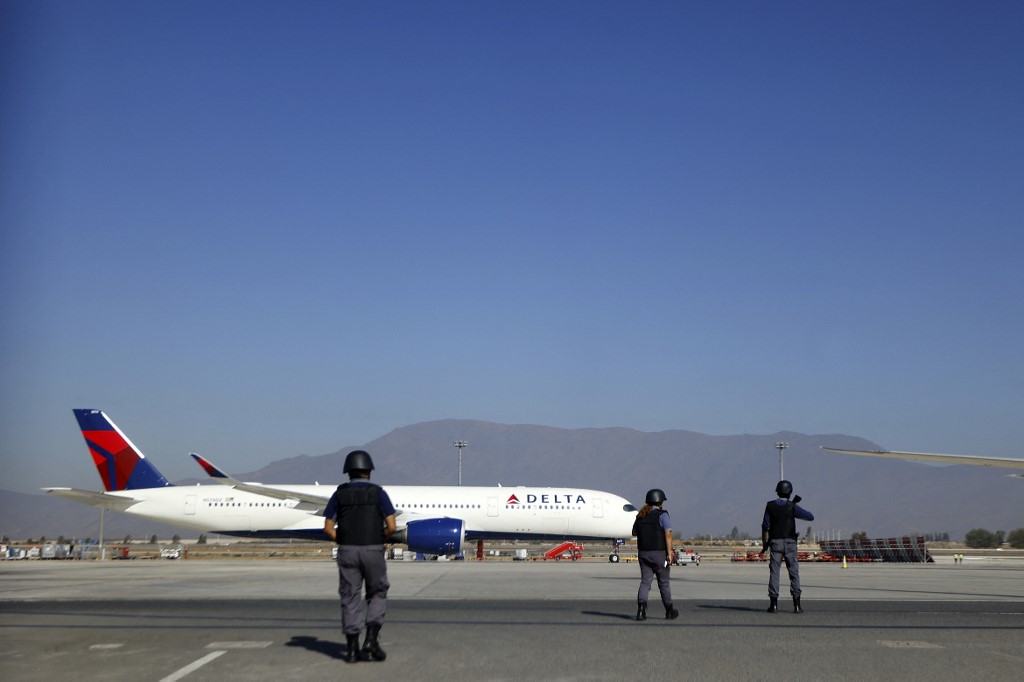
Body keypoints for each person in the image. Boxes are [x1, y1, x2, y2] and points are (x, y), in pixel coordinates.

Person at [323, 449, 397, 662]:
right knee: (377, 593)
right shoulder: (378, 493)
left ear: (348, 471)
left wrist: (343, 538)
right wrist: (379, 536)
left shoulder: (339, 494)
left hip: (347, 550)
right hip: (373, 549)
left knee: (350, 596)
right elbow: (391, 526)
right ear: (369, 471)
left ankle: (352, 648)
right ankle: (371, 640)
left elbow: (328, 528)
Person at [761, 480, 814, 613]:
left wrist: (764, 545)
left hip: (775, 543)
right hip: (790, 543)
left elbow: (765, 527)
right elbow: (810, 517)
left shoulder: (770, 506)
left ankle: (773, 605)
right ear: (789, 492)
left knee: (774, 573)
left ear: (777, 491)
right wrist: (793, 507)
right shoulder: (792, 506)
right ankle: (797, 605)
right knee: (794, 572)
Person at [631, 488, 679, 620]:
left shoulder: (640, 516)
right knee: (663, 583)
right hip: (659, 554)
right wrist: (669, 553)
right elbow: (668, 533)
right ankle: (669, 611)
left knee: (645, 582)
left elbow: (634, 533)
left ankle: (641, 611)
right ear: (659, 502)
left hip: (643, 554)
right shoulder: (662, 515)